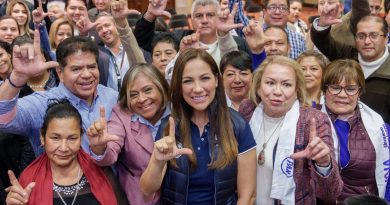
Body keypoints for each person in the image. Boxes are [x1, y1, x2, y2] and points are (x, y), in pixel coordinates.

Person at [140, 48, 257, 204]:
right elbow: (147, 189)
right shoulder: (169, 126)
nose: (197, 88)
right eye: (188, 81)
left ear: (216, 80)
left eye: (204, 78)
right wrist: (157, 160)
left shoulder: (238, 125)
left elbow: (247, 196)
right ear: (179, 86)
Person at [239, 55, 342, 204]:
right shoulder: (247, 110)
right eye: (270, 83)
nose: (277, 91)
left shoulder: (312, 120)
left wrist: (323, 163)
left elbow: (331, 192)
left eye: (286, 85)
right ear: (259, 87)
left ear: (297, 91)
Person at [0, 31, 118, 156]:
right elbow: (3, 119)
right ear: (60, 73)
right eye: (76, 69)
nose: (87, 75)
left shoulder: (112, 96)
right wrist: (17, 77)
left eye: (92, 67)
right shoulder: (43, 103)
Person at [5, 100, 118, 205]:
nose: (64, 148)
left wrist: (99, 148)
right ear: (42, 137)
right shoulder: (29, 178)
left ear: (81, 137)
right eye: (55, 138)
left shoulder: (98, 171)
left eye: (72, 138)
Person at [87, 63, 171, 205]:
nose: (142, 99)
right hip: (141, 198)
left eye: (148, 90)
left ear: (161, 87)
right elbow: (110, 153)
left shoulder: (178, 110)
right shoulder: (122, 114)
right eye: (133, 95)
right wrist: (99, 147)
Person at [320, 59, 390, 202]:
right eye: (335, 87)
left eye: (350, 89)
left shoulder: (380, 127)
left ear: (360, 93)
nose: (342, 94)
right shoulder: (307, 121)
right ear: (324, 90)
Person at [311, 15, 390, 124]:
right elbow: (323, 41)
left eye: (374, 36)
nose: (367, 41)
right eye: (361, 36)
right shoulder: (347, 55)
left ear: (385, 38)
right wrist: (322, 25)